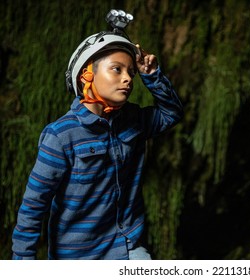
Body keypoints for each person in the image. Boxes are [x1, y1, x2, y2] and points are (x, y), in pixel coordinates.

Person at [11, 10, 183, 260]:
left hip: (126, 248)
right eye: (116, 69)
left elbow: (172, 113)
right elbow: (34, 206)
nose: (127, 79)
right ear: (86, 75)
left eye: (130, 73)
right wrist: (22, 264)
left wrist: (151, 75)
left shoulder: (133, 120)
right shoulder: (61, 136)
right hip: (76, 257)